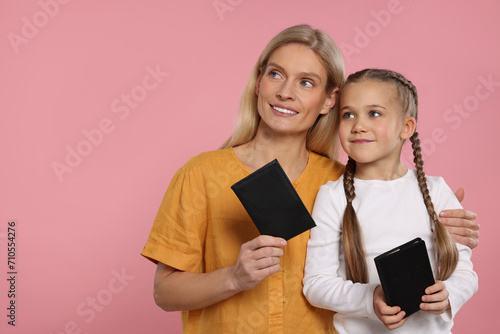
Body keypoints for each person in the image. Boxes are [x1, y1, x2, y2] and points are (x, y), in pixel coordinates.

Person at [141, 25, 479, 334]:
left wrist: (441, 228)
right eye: (276, 75)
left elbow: (393, 242)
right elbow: (164, 292)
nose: (286, 92)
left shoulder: (342, 183)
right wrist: (233, 277)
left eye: (306, 82)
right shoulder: (201, 174)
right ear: (259, 82)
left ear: (328, 100)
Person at [303, 69, 478, 334]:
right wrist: (370, 298)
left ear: (406, 127)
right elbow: (316, 283)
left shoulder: (436, 190)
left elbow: (465, 273)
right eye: (348, 114)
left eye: (374, 113)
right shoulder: (333, 196)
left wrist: (449, 294)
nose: (358, 125)